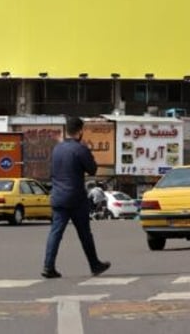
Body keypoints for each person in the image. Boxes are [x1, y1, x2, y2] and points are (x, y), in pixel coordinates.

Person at [42, 115, 111, 279]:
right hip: (75, 197)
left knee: (55, 233)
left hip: (58, 196)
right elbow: (92, 169)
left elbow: (52, 172)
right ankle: (95, 265)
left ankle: (48, 266)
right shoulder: (80, 149)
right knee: (85, 233)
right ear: (80, 131)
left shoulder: (57, 149)